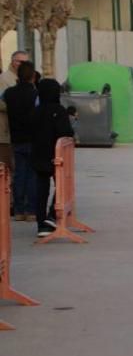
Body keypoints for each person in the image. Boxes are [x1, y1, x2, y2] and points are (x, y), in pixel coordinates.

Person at [31, 78, 74, 238]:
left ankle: (41, 223)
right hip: (57, 157)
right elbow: (65, 132)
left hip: (38, 155)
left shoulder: (35, 111)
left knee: (41, 190)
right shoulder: (59, 110)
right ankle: (51, 216)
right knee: (62, 187)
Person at [4, 60, 38, 221]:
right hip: (33, 138)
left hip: (15, 138)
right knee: (32, 175)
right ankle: (31, 210)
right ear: (32, 77)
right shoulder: (35, 94)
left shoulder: (9, 93)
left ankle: (18, 210)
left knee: (18, 175)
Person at [0, 50, 27, 176]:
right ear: (12, 61)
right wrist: (16, 106)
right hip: (6, 132)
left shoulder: (26, 79)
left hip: (21, 132)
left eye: (25, 62)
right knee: (8, 169)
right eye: (19, 61)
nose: (22, 64)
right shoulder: (4, 79)